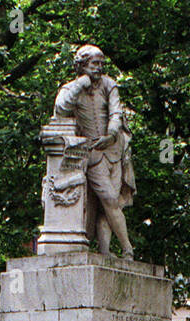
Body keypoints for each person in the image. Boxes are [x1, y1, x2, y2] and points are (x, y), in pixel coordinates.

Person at [52, 44, 137, 258]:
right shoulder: (71, 89)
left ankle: (106, 250)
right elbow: (61, 109)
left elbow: (116, 112)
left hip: (114, 150)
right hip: (92, 155)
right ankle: (128, 248)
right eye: (94, 64)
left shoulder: (108, 84)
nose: (98, 68)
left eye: (101, 64)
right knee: (109, 199)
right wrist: (81, 83)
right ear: (82, 65)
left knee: (109, 205)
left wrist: (110, 134)